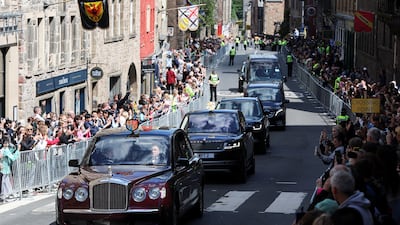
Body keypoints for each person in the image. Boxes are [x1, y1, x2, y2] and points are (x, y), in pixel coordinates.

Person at [0, 136, 19, 202]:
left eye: (7, 143)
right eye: (5, 143)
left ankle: (7, 194)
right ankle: (5, 195)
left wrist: (14, 147)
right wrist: (17, 152)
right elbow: (13, 158)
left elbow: (12, 148)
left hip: (5, 167)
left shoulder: (4, 149)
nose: (7, 144)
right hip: (4, 167)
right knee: (4, 181)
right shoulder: (4, 150)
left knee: (6, 181)